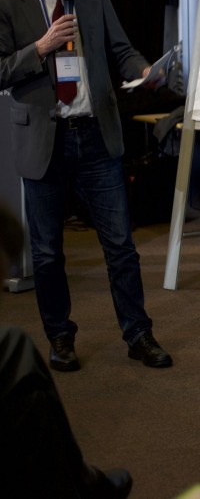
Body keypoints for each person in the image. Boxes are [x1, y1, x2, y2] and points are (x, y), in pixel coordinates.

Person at [0, 0, 171, 372]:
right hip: (44, 142)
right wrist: (39, 48)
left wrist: (142, 70)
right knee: (48, 250)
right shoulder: (9, 4)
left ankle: (138, 334)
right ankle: (60, 337)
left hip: (96, 136)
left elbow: (121, 49)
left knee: (120, 245)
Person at [0, 201, 133, 497]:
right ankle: (80, 480)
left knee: (121, 244)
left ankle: (138, 334)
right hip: (42, 163)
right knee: (14, 347)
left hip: (98, 155)